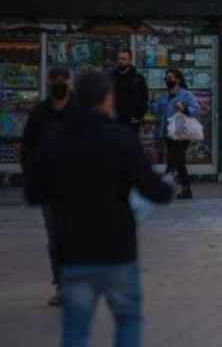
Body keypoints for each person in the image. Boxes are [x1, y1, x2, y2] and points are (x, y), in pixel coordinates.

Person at [26, 70, 175, 347]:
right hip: (117, 251)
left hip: (73, 252)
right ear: (107, 99)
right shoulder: (121, 138)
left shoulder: (56, 139)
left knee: (75, 329)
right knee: (128, 319)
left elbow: (33, 192)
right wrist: (168, 186)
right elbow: (156, 191)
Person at [20, 67, 74, 306]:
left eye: (64, 80)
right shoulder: (39, 113)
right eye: (55, 80)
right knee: (56, 238)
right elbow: (27, 148)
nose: (60, 84)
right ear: (49, 82)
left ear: (70, 83)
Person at [153, 68, 200, 199]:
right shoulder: (164, 95)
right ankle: (184, 189)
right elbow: (156, 109)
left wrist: (184, 108)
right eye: (166, 78)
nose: (167, 80)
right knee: (175, 160)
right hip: (167, 132)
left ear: (177, 80)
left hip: (181, 132)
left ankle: (169, 188)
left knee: (176, 159)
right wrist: (156, 104)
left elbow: (196, 109)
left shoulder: (185, 95)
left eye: (170, 77)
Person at [110, 50, 148, 134]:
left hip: (131, 121)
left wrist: (137, 116)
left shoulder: (137, 77)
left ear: (130, 60)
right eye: (119, 58)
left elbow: (144, 98)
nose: (120, 61)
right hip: (114, 119)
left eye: (124, 59)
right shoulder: (111, 76)